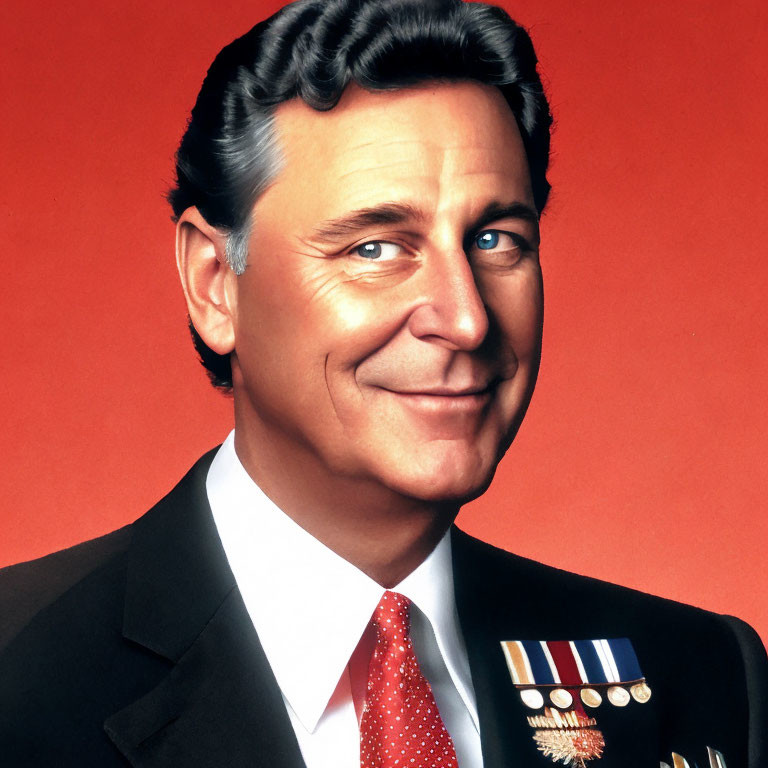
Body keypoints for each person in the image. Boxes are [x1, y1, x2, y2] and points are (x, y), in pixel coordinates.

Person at [0, 1, 765, 767]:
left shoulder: (697, 678)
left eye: (496, 239)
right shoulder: (20, 674)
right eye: (374, 248)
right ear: (214, 285)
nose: (465, 319)